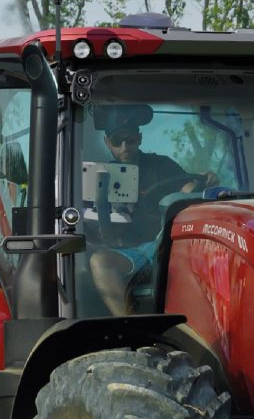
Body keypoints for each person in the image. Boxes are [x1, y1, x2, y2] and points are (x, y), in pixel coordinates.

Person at [82, 104, 204, 315]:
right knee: (99, 262)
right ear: (107, 143)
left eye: (129, 140)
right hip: (131, 251)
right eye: (116, 142)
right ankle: (131, 331)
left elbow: (187, 191)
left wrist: (203, 182)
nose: (124, 147)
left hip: (164, 243)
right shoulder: (99, 176)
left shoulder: (161, 165)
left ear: (139, 139)